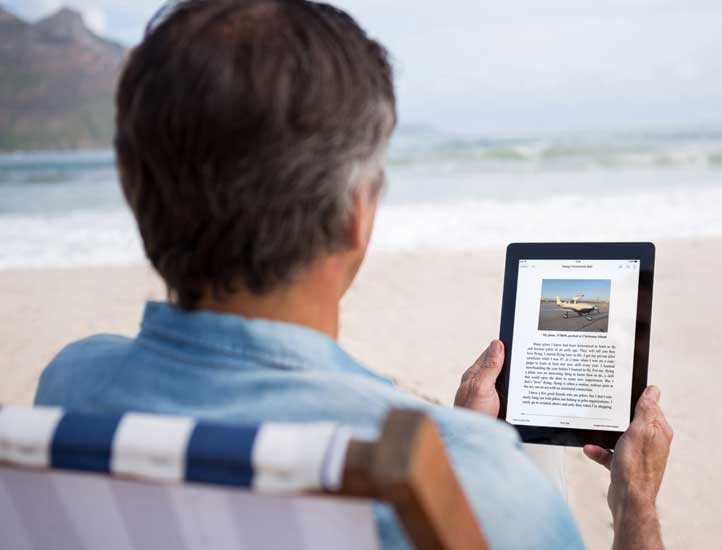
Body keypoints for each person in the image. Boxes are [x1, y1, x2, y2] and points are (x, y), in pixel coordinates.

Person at [34, 1, 672, 548]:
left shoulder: (72, 382)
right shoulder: (471, 478)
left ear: (133, 189)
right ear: (354, 218)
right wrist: (634, 506)